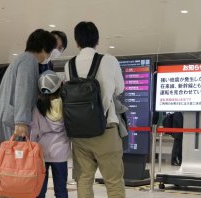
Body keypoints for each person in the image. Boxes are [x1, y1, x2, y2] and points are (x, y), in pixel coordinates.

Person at [64, 21, 125, 198]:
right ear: (97, 40)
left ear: (76, 42)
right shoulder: (109, 60)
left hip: (79, 132)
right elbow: (119, 88)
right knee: (113, 181)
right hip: (106, 129)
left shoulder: (70, 65)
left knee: (83, 179)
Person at [0, 29, 56, 153]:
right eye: (49, 51)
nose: (48, 56)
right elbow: (23, 91)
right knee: (15, 165)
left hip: (7, 116)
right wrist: (22, 122)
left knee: (8, 162)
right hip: (13, 122)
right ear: (44, 48)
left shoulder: (22, 59)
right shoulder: (28, 61)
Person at [30, 70, 70, 198]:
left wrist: (32, 147)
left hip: (41, 152)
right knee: (61, 188)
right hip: (61, 152)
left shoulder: (37, 107)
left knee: (40, 188)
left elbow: (34, 131)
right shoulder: (66, 104)